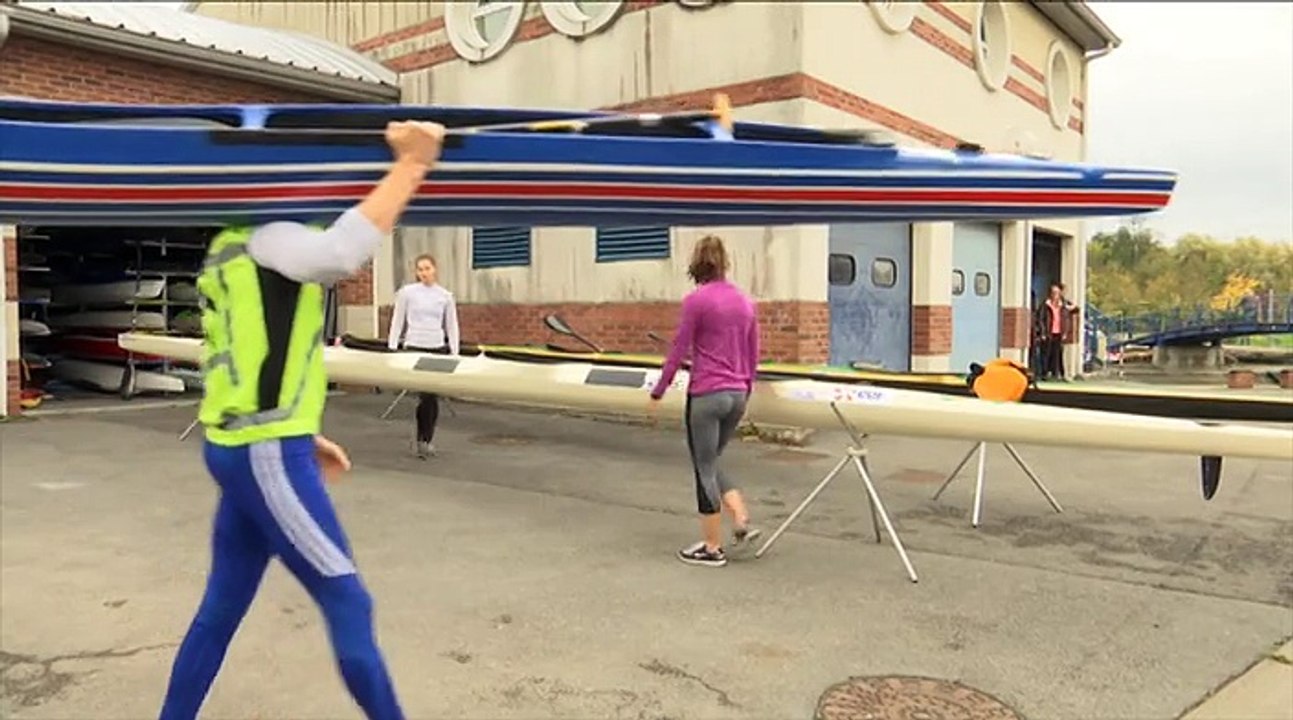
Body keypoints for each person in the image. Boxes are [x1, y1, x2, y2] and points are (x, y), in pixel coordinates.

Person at [157, 119, 447, 720]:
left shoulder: (227, 246)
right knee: (348, 601)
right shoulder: (270, 235)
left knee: (220, 609)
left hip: (243, 444)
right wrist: (411, 166)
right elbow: (340, 253)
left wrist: (302, 432)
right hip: (264, 451)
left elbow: (247, 355)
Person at [646, 235, 762, 568]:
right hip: (737, 394)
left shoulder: (696, 301)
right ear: (725, 262)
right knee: (710, 458)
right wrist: (745, 392)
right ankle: (739, 516)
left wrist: (658, 391)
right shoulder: (745, 303)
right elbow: (753, 356)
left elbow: (679, 349)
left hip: (707, 395)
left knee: (704, 465)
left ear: (698, 264)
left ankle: (712, 547)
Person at [386, 254, 460, 458]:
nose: (424, 273)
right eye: (420, 269)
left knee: (430, 397)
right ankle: (422, 438)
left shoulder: (444, 296)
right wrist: (393, 347)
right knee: (422, 395)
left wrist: (455, 352)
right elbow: (398, 320)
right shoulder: (407, 293)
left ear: (435, 269)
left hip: (436, 347)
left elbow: (451, 325)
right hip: (414, 346)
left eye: (427, 268)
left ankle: (425, 439)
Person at [1036, 283, 1078, 381]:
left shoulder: (1063, 305)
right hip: (1048, 332)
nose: (1055, 295)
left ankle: (1058, 373)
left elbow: (1075, 310)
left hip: (1059, 332)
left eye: (1057, 293)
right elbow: (1041, 319)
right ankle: (1044, 374)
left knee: (1058, 354)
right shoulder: (1045, 305)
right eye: (1053, 292)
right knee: (1046, 354)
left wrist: (1071, 307)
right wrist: (1042, 332)